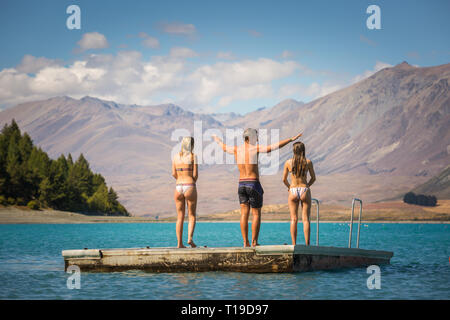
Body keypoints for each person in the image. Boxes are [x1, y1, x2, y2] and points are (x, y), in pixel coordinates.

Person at [213, 129, 303, 247]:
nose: (257, 140)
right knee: (256, 214)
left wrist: (217, 139)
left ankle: (246, 242)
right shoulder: (255, 148)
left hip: (241, 184)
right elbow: (273, 147)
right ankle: (254, 242)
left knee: (244, 214)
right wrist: (291, 139)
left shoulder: (236, 149)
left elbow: (224, 147)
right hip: (253, 183)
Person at [282, 141, 316, 245]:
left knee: (293, 219)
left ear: (293, 150)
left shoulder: (288, 163)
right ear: (303, 150)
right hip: (304, 189)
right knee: (306, 219)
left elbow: (284, 179)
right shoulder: (308, 162)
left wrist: (289, 187)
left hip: (292, 190)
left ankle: (293, 244)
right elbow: (313, 178)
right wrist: (307, 186)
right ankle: (307, 244)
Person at [172, 136, 198, 248]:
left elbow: (173, 173)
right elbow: (195, 175)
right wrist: (191, 182)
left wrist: (180, 179)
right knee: (191, 215)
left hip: (178, 187)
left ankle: (179, 244)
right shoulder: (193, 157)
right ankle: (190, 239)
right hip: (189, 185)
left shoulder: (175, 157)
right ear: (191, 145)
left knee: (180, 216)